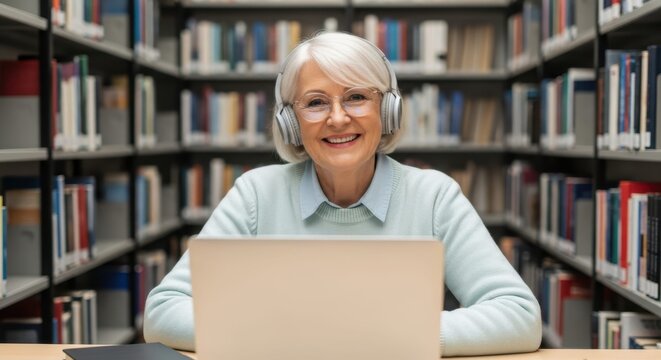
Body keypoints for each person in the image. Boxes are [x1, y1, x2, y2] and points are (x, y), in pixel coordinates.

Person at [144, 31, 542, 356]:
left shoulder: (434, 196)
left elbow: (519, 316)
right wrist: (306, 335)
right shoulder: (255, 194)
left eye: (356, 97)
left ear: (387, 110)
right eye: (315, 103)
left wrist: (384, 337)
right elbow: (163, 313)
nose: (338, 118)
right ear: (290, 123)